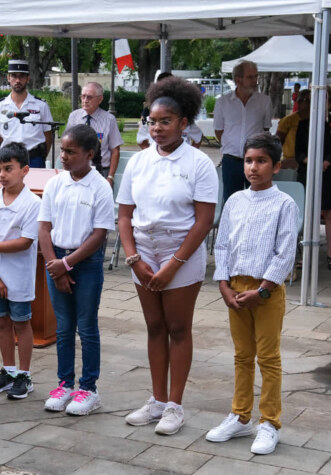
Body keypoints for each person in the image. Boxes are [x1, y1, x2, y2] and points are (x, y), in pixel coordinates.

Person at [118, 77, 218, 435]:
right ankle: (157, 400)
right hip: (143, 250)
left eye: (165, 121)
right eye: (152, 121)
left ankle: (175, 406)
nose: (157, 128)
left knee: (178, 327)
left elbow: (204, 220)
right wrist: (134, 259)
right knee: (154, 326)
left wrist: (173, 264)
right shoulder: (138, 162)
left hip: (182, 251)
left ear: (184, 123)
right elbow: (125, 215)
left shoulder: (199, 163)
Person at [207, 132, 298, 455]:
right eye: (248, 161)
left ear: (276, 167)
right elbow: (223, 244)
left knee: (268, 358)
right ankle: (240, 415)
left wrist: (262, 290)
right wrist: (223, 284)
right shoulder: (235, 201)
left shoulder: (284, 204)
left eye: (261, 161)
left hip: (266, 291)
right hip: (235, 289)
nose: (253, 167)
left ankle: (269, 422)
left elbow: (285, 252)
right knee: (242, 356)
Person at [38, 125, 115, 416]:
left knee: (87, 326)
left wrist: (67, 264)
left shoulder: (99, 187)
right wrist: (55, 267)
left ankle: (88, 388)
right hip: (54, 259)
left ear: (90, 154)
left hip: (85, 262)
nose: (63, 156)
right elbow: (44, 227)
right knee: (63, 326)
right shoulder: (55, 184)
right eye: (62, 150)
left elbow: (99, 235)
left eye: (71, 152)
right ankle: (64, 383)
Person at [0, 143, 40, 400]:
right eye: (0, 169)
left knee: (21, 323)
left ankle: (24, 375)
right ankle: (8, 370)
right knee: (2, 322)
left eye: (9, 169)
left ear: (24, 170)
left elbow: (25, 241)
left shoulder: (33, 203)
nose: (2, 174)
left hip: (19, 275)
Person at [295, 86, 331, 271]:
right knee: (309, 214)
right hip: (308, 172)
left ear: (330, 103)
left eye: (323, 101)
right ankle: (307, 254)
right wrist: (307, 160)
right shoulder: (303, 124)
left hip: (330, 173)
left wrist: (327, 162)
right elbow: (298, 150)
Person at [214, 60, 272, 202]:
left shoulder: (264, 101)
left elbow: (265, 129)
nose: (255, 81)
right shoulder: (223, 102)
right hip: (231, 161)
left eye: (256, 76)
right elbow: (218, 132)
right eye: (250, 77)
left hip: (257, 161)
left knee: (258, 201)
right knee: (231, 202)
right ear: (238, 79)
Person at [0, 59, 53, 168]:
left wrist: (41, 157)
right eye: (14, 76)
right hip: (9, 159)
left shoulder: (40, 105)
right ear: (8, 78)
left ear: (28, 78)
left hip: (34, 158)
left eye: (22, 76)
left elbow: (48, 134)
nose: (18, 80)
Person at [65, 81, 124, 188]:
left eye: (89, 97)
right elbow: (66, 146)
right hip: (76, 170)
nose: (85, 100)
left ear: (100, 99)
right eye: (83, 96)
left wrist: (110, 177)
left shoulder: (109, 120)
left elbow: (115, 150)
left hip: (100, 171)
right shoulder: (74, 117)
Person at [275, 89, 310, 170]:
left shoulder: (317, 121)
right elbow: (277, 143)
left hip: (311, 162)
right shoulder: (288, 120)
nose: (310, 103)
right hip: (290, 163)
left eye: (312, 100)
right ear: (299, 102)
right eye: (307, 100)